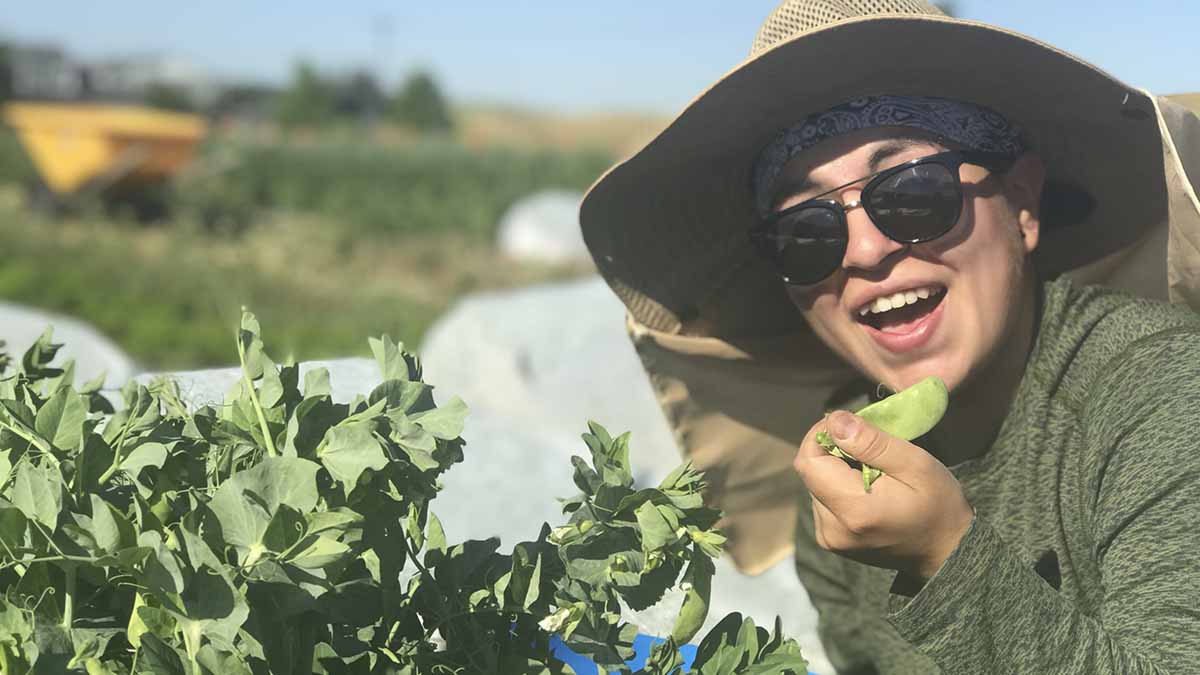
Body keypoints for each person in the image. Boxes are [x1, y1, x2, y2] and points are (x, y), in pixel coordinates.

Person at [579, 1, 1200, 673]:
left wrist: (945, 555)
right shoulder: (833, 490)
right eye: (808, 233)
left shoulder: (1159, 393)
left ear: (1022, 204)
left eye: (912, 194)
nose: (865, 250)